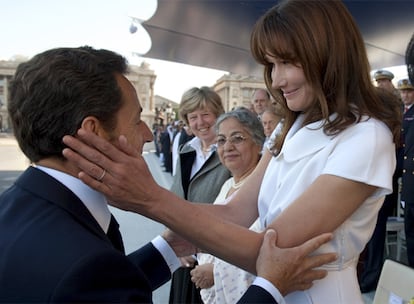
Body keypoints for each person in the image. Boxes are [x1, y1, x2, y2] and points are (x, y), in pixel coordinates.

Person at [62, 1, 401, 303]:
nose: (277, 79)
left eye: (287, 61)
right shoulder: (289, 127)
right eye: (270, 64)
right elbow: (235, 211)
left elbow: (273, 249)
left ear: (328, 55)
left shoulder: (366, 137)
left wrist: (150, 199)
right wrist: (166, 226)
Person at [0, 46, 336, 303]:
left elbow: (105, 286)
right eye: (136, 120)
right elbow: (88, 281)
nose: (148, 135)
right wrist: (270, 286)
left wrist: (168, 246)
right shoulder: (81, 267)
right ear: (94, 132)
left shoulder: (14, 209)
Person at [190, 107, 265, 303]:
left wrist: (216, 272)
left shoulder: (265, 188)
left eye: (237, 138)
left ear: (258, 144)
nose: (228, 146)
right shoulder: (227, 185)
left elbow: (265, 249)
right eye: (222, 140)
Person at [168, 86, 231, 303]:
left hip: (215, 258)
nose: (200, 122)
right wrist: (175, 243)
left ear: (218, 115)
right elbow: (173, 202)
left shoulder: (230, 153)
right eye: (193, 117)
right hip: (184, 257)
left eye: (205, 114)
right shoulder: (186, 151)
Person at [399, 77, 414, 268]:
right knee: (410, 233)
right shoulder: (402, 113)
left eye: (409, 91)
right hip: (408, 186)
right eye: (403, 92)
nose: (405, 95)